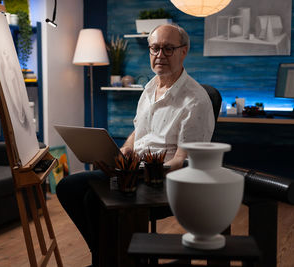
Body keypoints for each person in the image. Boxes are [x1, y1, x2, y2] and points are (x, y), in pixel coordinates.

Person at [56, 23, 215, 266]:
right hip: (132, 169)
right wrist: (124, 151)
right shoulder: (150, 87)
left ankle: (112, 258)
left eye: (168, 49)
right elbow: (138, 132)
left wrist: (135, 171)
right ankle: (113, 256)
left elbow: (181, 163)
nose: (160, 55)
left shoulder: (195, 101)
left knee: (93, 198)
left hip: (162, 181)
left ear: (184, 52)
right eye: (155, 48)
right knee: (68, 187)